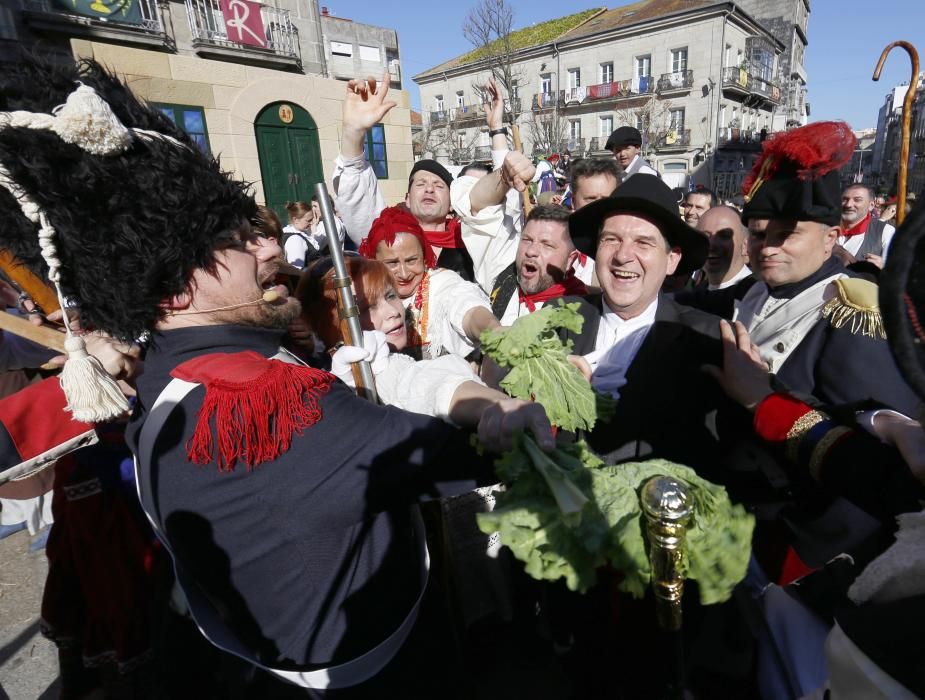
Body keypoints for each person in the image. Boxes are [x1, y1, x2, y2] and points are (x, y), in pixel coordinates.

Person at [0, 57, 553, 696]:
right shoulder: (252, 396)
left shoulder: (171, 363)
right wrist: (504, 424)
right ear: (176, 291)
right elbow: (438, 454)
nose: (268, 248)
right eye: (240, 241)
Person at [733, 121, 918, 415]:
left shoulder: (854, 312)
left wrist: (764, 399)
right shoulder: (756, 287)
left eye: (785, 235)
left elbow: (872, 441)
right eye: (757, 235)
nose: (767, 248)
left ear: (829, 239)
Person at [332, 74, 474, 281]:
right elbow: (356, 192)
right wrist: (353, 134)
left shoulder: (470, 239)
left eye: (438, 185)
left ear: (452, 203)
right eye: (421, 183)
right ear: (407, 198)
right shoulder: (387, 235)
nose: (429, 189)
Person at [358, 205, 499, 360]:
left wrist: (492, 330)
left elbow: (467, 308)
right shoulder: (363, 296)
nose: (404, 274)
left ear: (424, 257)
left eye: (412, 260)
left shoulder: (442, 283)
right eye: (392, 263)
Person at [488, 205, 588, 325]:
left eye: (547, 245)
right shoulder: (501, 277)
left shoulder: (579, 314)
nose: (531, 251)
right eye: (527, 240)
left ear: (570, 260)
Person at [837, 183, 895, 268]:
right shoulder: (827, 227)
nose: (848, 204)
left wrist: (884, 267)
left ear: (871, 205)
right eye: (845, 199)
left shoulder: (885, 231)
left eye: (857, 200)